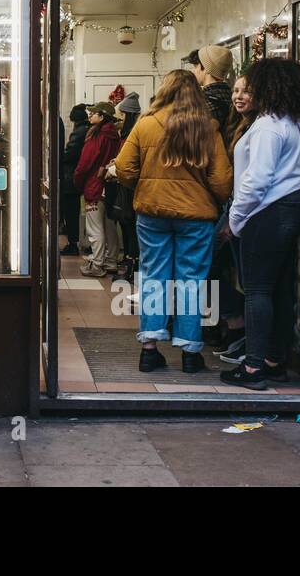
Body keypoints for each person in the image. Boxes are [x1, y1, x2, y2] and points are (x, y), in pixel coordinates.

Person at [113, 70, 233, 374]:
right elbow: (221, 181)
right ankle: (191, 353)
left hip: (152, 213)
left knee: (154, 277)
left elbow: (124, 169)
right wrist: (211, 197)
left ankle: (149, 350)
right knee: (192, 280)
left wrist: (145, 186)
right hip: (196, 217)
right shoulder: (207, 128)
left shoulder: (146, 124)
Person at [220, 58, 300, 390]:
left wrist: (235, 220)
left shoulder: (268, 127)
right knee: (281, 288)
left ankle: (253, 368)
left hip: (268, 211)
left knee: (257, 290)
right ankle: (274, 360)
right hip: (292, 207)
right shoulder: (292, 122)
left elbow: (256, 181)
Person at [212, 74, 257, 364]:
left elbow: (255, 177)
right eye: (236, 90)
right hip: (233, 206)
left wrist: (233, 217)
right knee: (217, 266)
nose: (238, 96)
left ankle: (240, 327)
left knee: (220, 267)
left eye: (246, 92)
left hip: (241, 209)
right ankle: (235, 324)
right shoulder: (236, 123)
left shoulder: (259, 128)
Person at [74, 102, 123, 278]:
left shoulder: (97, 135)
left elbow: (85, 163)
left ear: (102, 117)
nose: (90, 116)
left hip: (94, 185)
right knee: (109, 226)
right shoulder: (115, 136)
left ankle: (97, 264)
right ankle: (111, 261)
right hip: (110, 184)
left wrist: (78, 180)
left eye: (93, 113)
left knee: (95, 228)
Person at [105, 92, 142, 279]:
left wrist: (116, 167)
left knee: (132, 229)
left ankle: (131, 267)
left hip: (130, 190)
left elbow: (130, 164)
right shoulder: (125, 135)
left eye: (120, 116)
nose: (116, 121)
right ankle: (129, 264)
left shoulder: (132, 135)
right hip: (126, 187)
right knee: (127, 228)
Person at [60, 104, 89, 256]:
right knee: (75, 212)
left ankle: (73, 243)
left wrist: (58, 158)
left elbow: (71, 153)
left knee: (71, 212)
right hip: (77, 178)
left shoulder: (79, 132)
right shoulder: (86, 130)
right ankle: (78, 241)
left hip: (71, 178)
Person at [185, 45, 235, 132]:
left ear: (205, 68)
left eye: (196, 66)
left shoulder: (201, 102)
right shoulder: (232, 97)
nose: (194, 71)